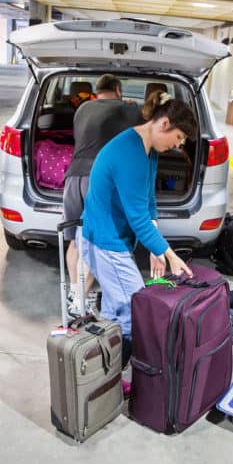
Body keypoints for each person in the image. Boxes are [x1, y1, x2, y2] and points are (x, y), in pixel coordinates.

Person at [79, 89, 194, 370]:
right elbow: (138, 219)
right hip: (106, 242)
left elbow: (148, 201)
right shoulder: (130, 153)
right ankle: (118, 374)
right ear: (164, 124)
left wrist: (156, 249)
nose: (177, 146)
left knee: (114, 310)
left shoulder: (148, 149)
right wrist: (170, 256)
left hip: (111, 238)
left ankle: (104, 376)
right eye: (178, 138)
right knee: (133, 309)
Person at [63, 74, 143, 313]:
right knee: (92, 239)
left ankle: (73, 290)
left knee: (74, 238)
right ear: (118, 89)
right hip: (97, 180)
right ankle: (80, 301)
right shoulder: (129, 109)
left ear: (97, 92)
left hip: (72, 178)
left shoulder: (83, 109)